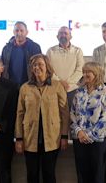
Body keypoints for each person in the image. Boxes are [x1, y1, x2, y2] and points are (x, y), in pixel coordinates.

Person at [15, 54, 69, 183]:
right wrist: (19, 138)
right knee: (32, 174)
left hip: (52, 138)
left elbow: (65, 113)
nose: (37, 67)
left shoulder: (57, 86)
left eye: (40, 64)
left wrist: (64, 136)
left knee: (49, 174)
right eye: (34, 65)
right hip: (30, 139)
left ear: (47, 67)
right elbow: (19, 114)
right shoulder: (25, 88)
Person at [70, 61, 106, 183]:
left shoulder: (105, 92)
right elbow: (72, 113)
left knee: (97, 175)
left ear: (97, 73)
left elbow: (105, 117)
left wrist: (89, 135)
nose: (85, 74)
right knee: (82, 174)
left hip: (97, 140)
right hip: (79, 138)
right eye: (84, 71)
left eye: (88, 71)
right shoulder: (79, 92)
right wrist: (79, 132)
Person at [46, 26, 84, 109]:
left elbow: (80, 69)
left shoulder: (78, 51)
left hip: (72, 90)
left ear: (70, 36)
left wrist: (67, 83)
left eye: (66, 33)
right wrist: (60, 82)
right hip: (55, 88)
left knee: (72, 116)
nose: (63, 35)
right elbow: (48, 70)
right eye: (60, 33)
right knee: (56, 116)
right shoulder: (50, 51)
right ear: (57, 36)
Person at [1, 21, 42, 86]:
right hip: (10, 85)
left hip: (30, 84)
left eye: (21, 31)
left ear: (26, 32)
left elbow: (39, 67)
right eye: (16, 30)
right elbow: (2, 67)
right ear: (13, 32)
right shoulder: (6, 49)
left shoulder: (35, 47)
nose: (19, 33)